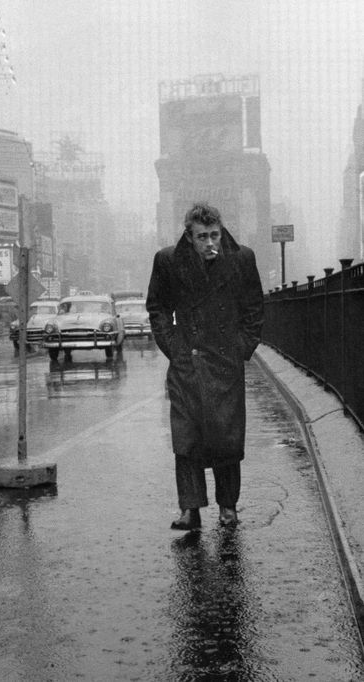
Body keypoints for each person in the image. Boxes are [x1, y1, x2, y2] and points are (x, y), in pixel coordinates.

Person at [146, 202, 264, 530]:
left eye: (214, 235)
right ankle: (190, 509)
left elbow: (254, 308)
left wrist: (241, 348)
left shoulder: (241, 258)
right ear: (190, 236)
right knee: (187, 438)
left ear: (221, 231)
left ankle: (228, 508)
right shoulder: (168, 260)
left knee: (226, 436)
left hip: (225, 362)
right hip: (188, 363)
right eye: (202, 237)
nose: (210, 242)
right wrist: (174, 347)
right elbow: (157, 307)